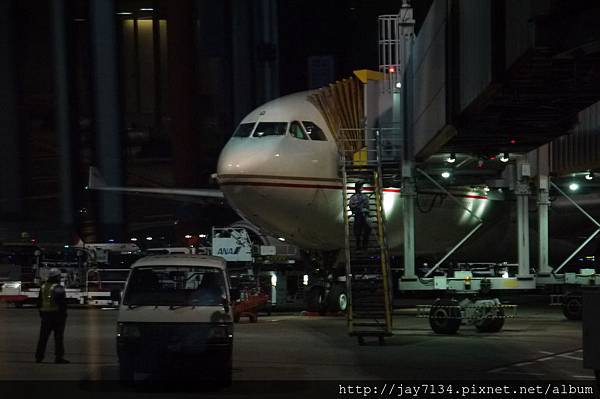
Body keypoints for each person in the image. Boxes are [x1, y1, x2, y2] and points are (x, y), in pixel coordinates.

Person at [35, 268, 69, 364]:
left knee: (43, 337)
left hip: (45, 315)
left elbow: (39, 302)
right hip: (57, 316)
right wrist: (64, 315)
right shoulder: (58, 287)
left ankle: (39, 357)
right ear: (57, 276)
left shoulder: (43, 286)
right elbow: (62, 303)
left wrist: (41, 313)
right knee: (58, 338)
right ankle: (58, 357)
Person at [349, 181, 372, 250]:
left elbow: (367, 207)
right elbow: (351, 206)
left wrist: (366, 211)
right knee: (357, 232)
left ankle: (364, 245)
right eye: (361, 186)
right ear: (357, 188)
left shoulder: (365, 197)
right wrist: (356, 205)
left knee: (368, 229)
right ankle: (358, 245)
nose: (362, 188)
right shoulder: (353, 197)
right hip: (358, 215)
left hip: (364, 215)